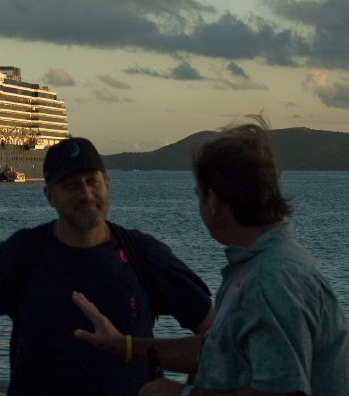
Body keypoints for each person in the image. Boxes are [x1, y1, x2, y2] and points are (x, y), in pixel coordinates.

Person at [72, 117, 349, 395]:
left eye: (198, 196)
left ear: (213, 202)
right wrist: (124, 345)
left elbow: (282, 392)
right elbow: (219, 349)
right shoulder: (260, 267)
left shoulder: (272, 281)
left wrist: (180, 394)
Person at [0, 137, 215, 396]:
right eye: (72, 185)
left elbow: (217, 334)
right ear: (50, 196)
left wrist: (190, 391)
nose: (86, 193)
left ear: (108, 185)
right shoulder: (23, 254)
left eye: (93, 181)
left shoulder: (143, 253)